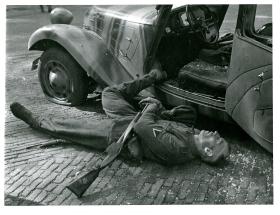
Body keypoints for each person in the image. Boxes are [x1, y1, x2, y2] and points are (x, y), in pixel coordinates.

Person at [10, 63, 229, 165]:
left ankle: (36, 121)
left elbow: (144, 128)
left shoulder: (179, 149)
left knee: (70, 127)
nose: (216, 133)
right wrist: (165, 112)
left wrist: (152, 105)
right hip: (134, 119)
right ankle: (150, 76)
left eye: (216, 139)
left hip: (122, 135)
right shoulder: (194, 137)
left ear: (208, 151)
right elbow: (170, 121)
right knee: (110, 93)